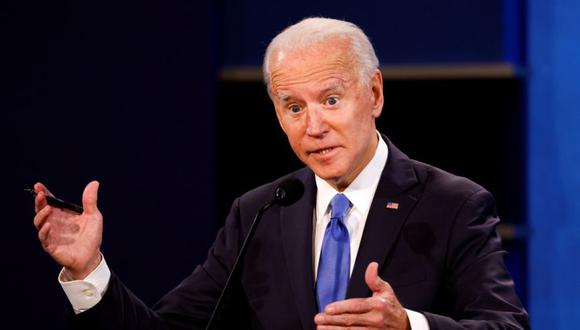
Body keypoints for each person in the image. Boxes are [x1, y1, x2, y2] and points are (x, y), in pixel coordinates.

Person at [33, 17, 529, 329]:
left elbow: (505, 326)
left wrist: (410, 327)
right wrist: (88, 271)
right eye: (293, 107)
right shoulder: (260, 213)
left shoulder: (454, 204)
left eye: (331, 100)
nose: (313, 126)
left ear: (374, 94)